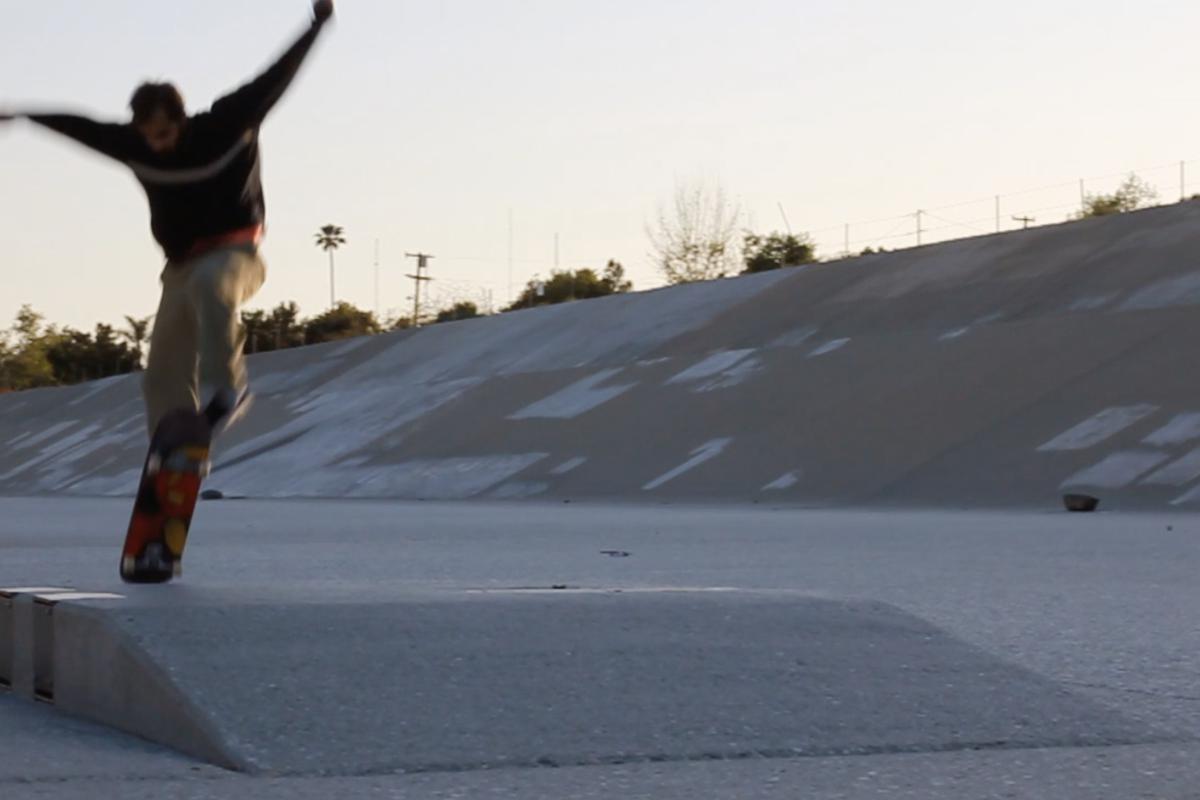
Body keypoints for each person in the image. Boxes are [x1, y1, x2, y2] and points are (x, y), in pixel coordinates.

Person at [0, 0, 335, 437]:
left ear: (181, 121)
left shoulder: (229, 122)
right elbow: (78, 125)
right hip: (179, 269)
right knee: (161, 374)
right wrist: (24, 114)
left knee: (211, 284)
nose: (155, 146)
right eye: (146, 137)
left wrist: (316, 25)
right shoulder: (133, 144)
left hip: (237, 254)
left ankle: (226, 391)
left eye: (162, 134)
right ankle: (174, 454)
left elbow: (276, 76)